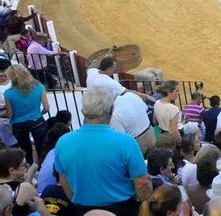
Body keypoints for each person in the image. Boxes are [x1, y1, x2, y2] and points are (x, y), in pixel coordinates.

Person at [54, 87, 152, 215]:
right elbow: (142, 182)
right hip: (122, 208)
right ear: (110, 110)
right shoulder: (125, 142)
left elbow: (63, 180)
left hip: (83, 209)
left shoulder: (63, 142)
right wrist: (145, 206)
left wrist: (76, 201)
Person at [4, 64, 49, 164]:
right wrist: (38, 113)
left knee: (25, 150)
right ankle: (42, 167)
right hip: (37, 121)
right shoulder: (39, 87)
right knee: (42, 149)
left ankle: (29, 169)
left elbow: (9, 114)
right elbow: (46, 108)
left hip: (18, 124)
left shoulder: (8, 93)